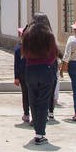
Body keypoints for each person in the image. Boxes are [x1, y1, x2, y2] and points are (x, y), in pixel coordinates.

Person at [21, 12, 58, 145]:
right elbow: (54, 55)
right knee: (43, 102)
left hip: (30, 70)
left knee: (33, 100)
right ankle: (40, 133)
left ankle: (36, 128)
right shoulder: (50, 35)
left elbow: (23, 53)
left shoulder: (27, 35)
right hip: (46, 70)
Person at [14, 25, 31, 123]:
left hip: (23, 75)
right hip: (33, 74)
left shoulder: (18, 48)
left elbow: (17, 64)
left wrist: (16, 77)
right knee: (33, 95)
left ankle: (26, 114)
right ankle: (34, 114)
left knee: (25, 94)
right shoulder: (34, 47)